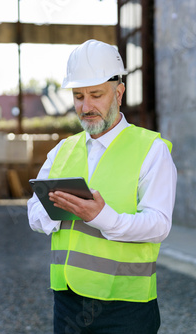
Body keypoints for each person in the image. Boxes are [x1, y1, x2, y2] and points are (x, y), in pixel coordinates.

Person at [27, 39, 177, 334]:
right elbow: (33, 212)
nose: (86, 106)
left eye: (96, 95)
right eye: (78, 96)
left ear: (118, 92)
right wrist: (56, 211)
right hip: (68, 300)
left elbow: (159, 225)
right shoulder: (62, 150)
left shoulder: (151, 150)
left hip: (125, 305)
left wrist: (101, 218)